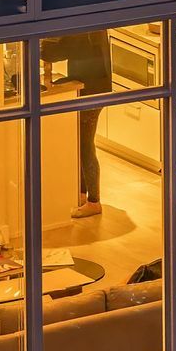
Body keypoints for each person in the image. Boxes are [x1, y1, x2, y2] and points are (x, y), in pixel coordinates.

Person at [41, 30, 114, 218]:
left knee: (85, 145)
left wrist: (38, 44)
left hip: (91, 90)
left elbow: (59, 51)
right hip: (97, 86)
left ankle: (94, 201)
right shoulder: (90, 21)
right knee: (82, 143)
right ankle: (82, 194)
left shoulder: (82, 29)